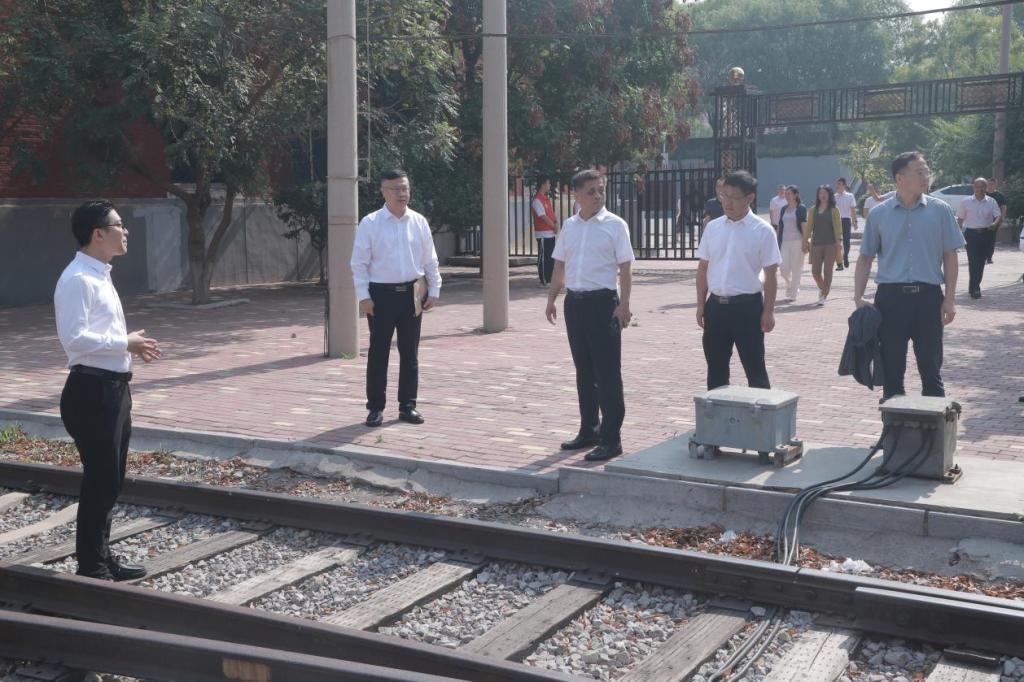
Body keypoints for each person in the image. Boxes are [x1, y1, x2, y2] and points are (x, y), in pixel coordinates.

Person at [54, 200, 161, 581]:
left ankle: (101, 558)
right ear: (98, 234)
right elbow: (74, 338)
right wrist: (124, 343)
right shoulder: (78, 279)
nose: (126, 230)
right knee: (101, 480)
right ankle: (92, 567)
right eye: (119, 225)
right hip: (91, 392)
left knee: (110, 480)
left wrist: (127, 347)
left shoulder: (99, 274)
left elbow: (95, 335)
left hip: (112, 390)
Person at [854, 151, 965, 402]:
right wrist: (857, 296)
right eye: (919, 172)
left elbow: (950, 256)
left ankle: (934, 425)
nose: (926, 176)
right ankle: (894, 425)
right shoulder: (879, 214)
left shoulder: (940, 210)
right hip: (890, 300)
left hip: (928, 299)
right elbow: (865, 258)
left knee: (931, 368)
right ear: (900, 178)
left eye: (926, 171)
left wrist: (949, 299)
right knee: (892, 369)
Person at [546, 169, 635, 462]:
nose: (597, 196)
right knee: (584, 371)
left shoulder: (615, 225)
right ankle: (589, 430)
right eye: (591, 191)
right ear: (576, 195)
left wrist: (624, 304)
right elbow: (560, 264)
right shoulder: (569, 226)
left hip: (603, 305)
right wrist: (552, 298)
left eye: (601, 190)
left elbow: (626, 267)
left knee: (607, 374)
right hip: (575, 304)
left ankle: (612, 439)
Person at [351, 169, 441, 428]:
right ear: (383, 192)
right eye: (396, 189)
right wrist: (364, 296)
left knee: (410, 352)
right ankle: (375, 408)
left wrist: (434, 289)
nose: (402, 193)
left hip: (412, 294)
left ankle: (408, 405)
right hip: (380, 296)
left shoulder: (419, 221)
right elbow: (359, 264)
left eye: (405, 188)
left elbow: (430, 259)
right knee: (378, 353)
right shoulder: (370, 223)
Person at [696, 170, 781, 390]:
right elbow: (703, 268)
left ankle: (762, 411)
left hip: (747, 309)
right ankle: (717, 412)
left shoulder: (762, 231)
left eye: (733, 197)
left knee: (755, 371)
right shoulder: (713, 228)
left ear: (749, 198)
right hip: (716, 308)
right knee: (716, 371)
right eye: (724, 195)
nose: (727, 202)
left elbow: (771, 275)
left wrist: (769, 311)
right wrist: (701, 305)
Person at [956, 177, 1002, 299]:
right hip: (971, 235)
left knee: (981, 262)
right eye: (977, 186)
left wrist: (994, 223)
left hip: (986, 234)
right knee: (973, 261)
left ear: (986, 188)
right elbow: (960, 219)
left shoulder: (991, 201)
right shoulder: (966, 202)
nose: (980, 189)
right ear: (973, 187)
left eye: (983, 187)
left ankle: (974, 286)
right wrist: (957, 235)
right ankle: (975, 288)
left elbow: (998, 215)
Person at [804, 185, 843, 307]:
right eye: (820, 193)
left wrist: (839, 241)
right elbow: (808, 227)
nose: (823, 195)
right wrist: (805, 240)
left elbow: (838, 226)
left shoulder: (834, 209)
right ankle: (823, 289)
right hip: (816, 244)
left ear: (829, 195)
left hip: (831, 244)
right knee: (815, 271)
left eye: (825, 193)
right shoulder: (813, 210)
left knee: (827, 271)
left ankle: (824, 296)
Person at [776, 185, 807, 302]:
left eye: (789, 194)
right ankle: (789, 284)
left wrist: (805, 242)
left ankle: (793, 293)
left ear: (795, 195)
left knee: (796, 268)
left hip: (798, 242)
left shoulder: (801, 208)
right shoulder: (783, 209)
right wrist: (776, 240)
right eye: (786, 194)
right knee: (783, 268)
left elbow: (804, 226)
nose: (787, 196)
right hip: (784, 242)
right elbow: (780, 226)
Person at [532, 174, 558, 286]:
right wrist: (553, 226)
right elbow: (542, 216)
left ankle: (550, 279)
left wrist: (556, 223)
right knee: (544, 258)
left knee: (551, 257)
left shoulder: (546, 199)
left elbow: (551, 214)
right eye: (548, 183)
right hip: (543, 234)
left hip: (550, 233)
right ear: (543, 184)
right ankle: (544, 280)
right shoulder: (537, 200)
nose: (550, 185)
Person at [834, 177, 858, 270]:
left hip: (846, 220)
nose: (837, 186)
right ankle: (839, 261)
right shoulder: (834, 197)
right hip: (836, 221)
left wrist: (855, 221)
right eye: (837, 184)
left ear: (844, 185)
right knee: (837, 241)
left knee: (846, 240)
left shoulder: (850, 196)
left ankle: (846, 256)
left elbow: (852, 209)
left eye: (839, 184)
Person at [986, 178, 1008, 264]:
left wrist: (1002, 219)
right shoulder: (983, 194)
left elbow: (1003, 208)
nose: (990, 186)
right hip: (982, 220)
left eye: (992, 184)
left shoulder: (1000, 196)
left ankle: (989, 257)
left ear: (995, 185)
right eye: (989, 184)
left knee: (991, 239)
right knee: (982, 239)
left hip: (994, 221)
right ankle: (982, 255)